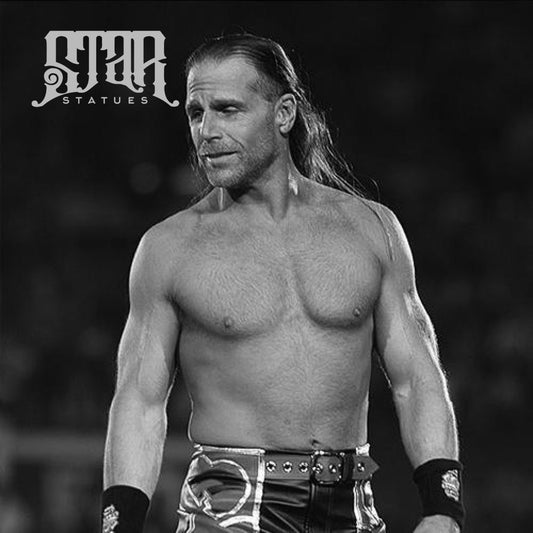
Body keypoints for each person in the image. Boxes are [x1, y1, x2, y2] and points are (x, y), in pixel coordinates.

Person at [101, 34, 465, 533]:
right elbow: (139, 403)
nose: (207, 130)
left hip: (351, 505)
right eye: (195, 113)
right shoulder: (169, 249)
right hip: (227, 509)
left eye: (227, 109)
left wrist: (443, 507)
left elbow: (417, 378)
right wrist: (118, 526)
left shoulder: (371, 229)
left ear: (284, 113)